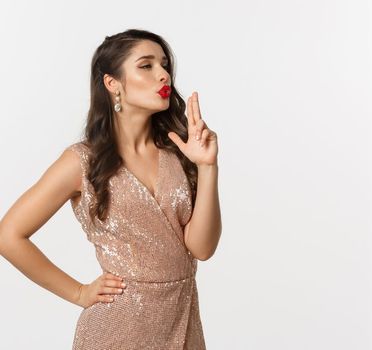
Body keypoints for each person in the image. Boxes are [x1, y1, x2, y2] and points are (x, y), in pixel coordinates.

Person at [0, 29, 221, 349]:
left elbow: (201, 249)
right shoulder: (82, 161)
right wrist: (78, 292)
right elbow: (8, 235)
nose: (163, 75)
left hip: (183, 321)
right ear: (112, 83)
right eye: (146, 66)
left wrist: (208, 166)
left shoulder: (178, 154)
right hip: (118, 329)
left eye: (164, 65)